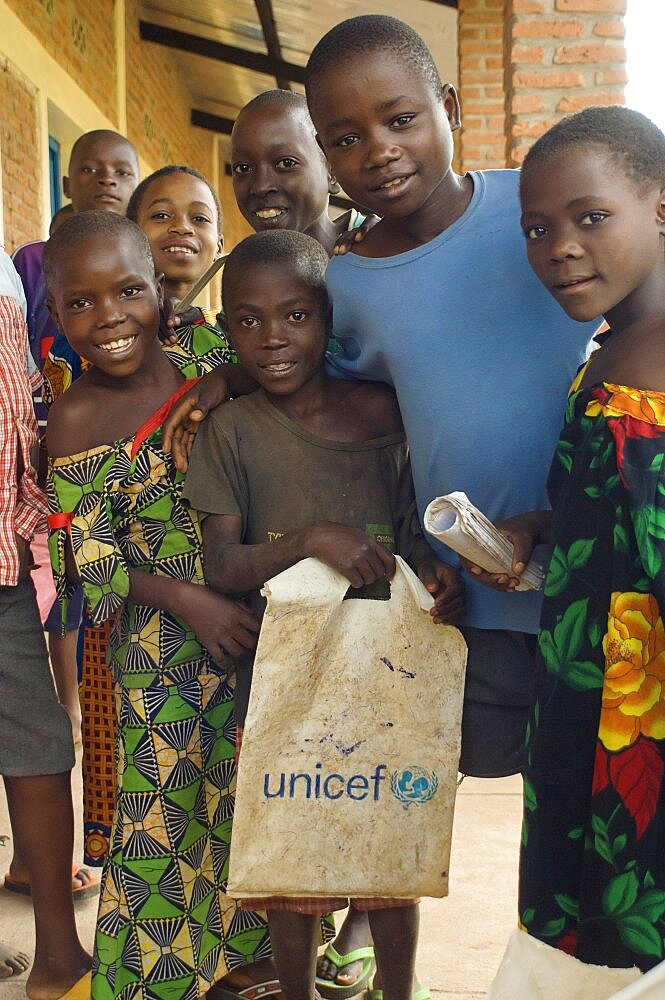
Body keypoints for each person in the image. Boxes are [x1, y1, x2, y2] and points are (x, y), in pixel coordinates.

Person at [183, 229, 464, 1000]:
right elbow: (222, 565)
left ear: (328, 319)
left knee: (389, 856)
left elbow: (413, 537)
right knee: (290, 858)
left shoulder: (382, 419)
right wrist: (310, 541)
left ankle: (398, 993)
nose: (272, 338)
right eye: (246, 320)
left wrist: (438, 579)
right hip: (282, 682)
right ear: (226, 328)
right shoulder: (232, 434)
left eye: (295, 316)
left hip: (387, 677)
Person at [43, 211, 273, 999]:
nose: (108, 318)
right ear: (57, 309)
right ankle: (149, 984)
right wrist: (186, 599)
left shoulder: (201, 355)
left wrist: (216, 381)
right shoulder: (73, 418)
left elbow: (267, 364)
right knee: (160, 819)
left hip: (251, 622)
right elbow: (87, 561)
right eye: (81, 302)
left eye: (128, 291)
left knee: (243, 800)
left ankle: (246, 969)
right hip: (155, 652)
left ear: (160, 293)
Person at [473, 106, 665, 972]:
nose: (558, 246)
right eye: (537, 228)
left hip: (639, 723)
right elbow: (623, 507)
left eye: (590, 218)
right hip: (587, 699)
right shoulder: (611, 350)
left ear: (659, 208)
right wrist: (551, 528)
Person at [0, 245, 91, 997]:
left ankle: (58, 953)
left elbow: (21, 412)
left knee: (37, 746)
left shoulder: (3, 277)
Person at [231, 89, 371, 257]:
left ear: (332, 171)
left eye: (286, 163)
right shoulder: (245, 272)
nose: (261, 186)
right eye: (243, 168)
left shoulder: (380, 246)